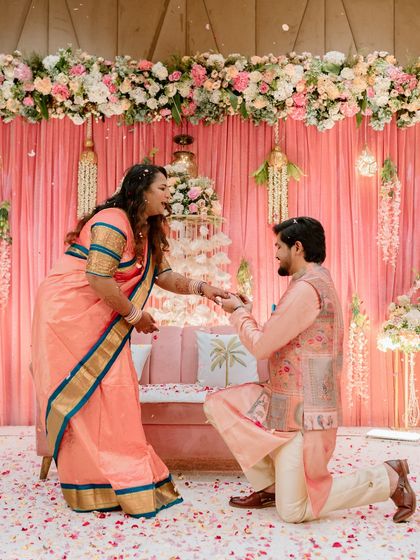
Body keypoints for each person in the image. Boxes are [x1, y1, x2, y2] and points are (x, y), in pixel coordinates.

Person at [31, 163, 228, 518]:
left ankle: (115, 478)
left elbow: (164, 275)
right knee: (89, 397)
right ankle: (93, 482)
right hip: (68, 315)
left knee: (116, 393)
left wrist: (206, 289)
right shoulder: (112, 222)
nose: (168, 195)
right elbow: (98, 277)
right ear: (141, 191)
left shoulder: (146, 230)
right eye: (162, 188)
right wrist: (135, 316)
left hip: (103, 318)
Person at [204, 217, 416, 523]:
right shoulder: (313, 281)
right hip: (284, 402)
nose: (275, 254)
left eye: (279, 246)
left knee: (293, 510)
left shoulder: (307, 289)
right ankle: (271, 486)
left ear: (298, 247)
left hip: (304, 414)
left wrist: (238, 313)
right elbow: (279, 337)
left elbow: (261, 346)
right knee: (218, 405)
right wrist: (246, 313)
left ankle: (388, 477)